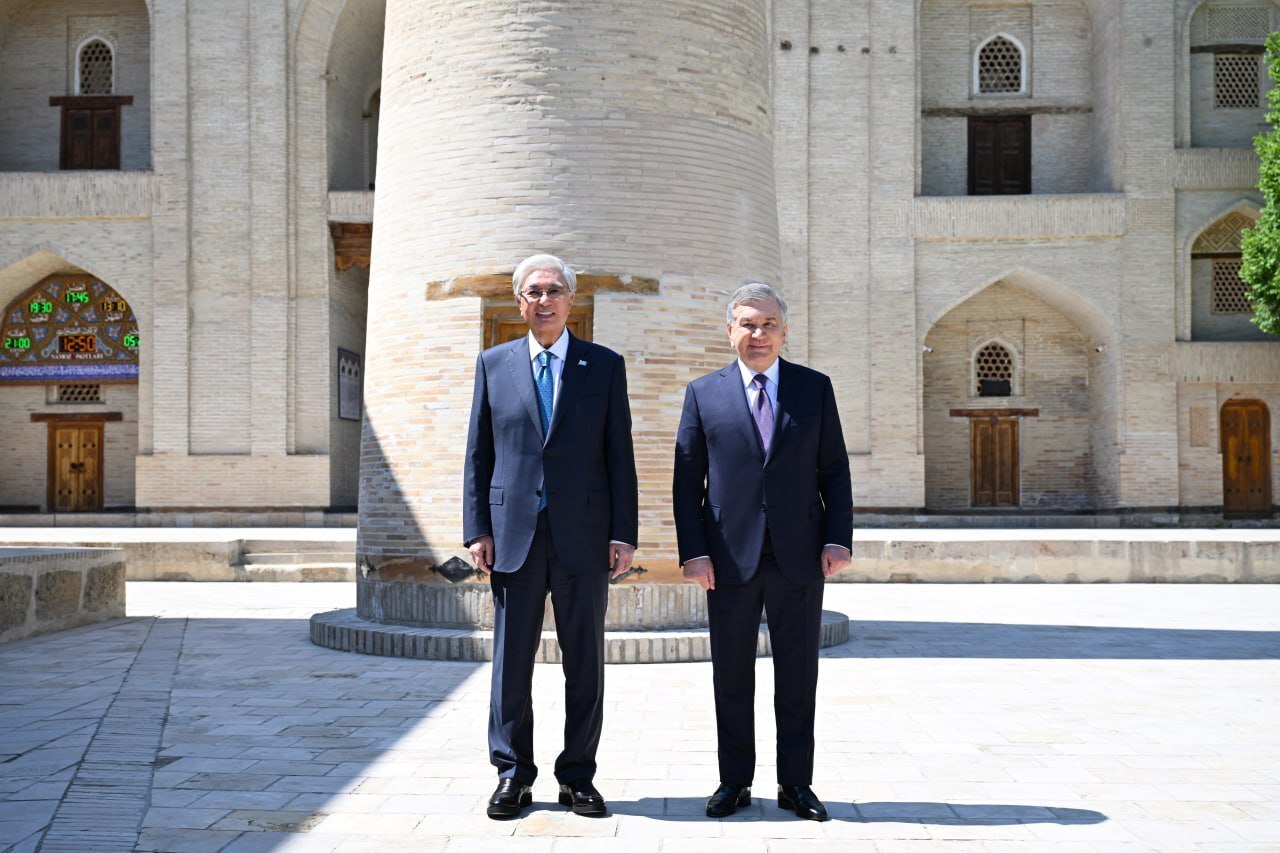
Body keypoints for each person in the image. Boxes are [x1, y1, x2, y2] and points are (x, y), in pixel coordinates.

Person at [463, 253, 638, 819]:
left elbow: (619, 455)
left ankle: (578, 776)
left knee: (584, 662)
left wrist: (623, 533)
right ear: (519, 302)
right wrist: (477, 529)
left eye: (554, 290)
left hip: (583, 536)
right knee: (511, 664)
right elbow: (478, 453)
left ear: (570, 299)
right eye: (533, 292)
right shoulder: (494, 364)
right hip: (512, 535)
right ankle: (512, 774)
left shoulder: (603, 366)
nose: (544, 300)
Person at [672, 281, 852, 821]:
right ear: (730, 331)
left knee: (797, 677)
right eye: (748, 324)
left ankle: (796, 784)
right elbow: (687, 481)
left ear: (784, 331)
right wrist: (694, 552)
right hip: (727, 558)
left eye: (769, 324)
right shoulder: (703, 393)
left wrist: (837, 538)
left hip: (800, 554)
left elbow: (835, 470)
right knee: (731, 676)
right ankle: (734, 782)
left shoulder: (814, 389)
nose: (759, 334)